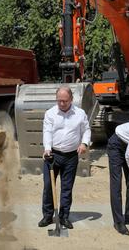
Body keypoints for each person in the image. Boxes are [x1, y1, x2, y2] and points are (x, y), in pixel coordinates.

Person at [39, 86, 90, 229]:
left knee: (67, 188)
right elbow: (47, 132)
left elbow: (86, 130)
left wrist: (84, 143)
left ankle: (64, 217)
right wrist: (47, 148)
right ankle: (48, 216)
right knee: (49, 186)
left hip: (71, 156)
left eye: (65, 101)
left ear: (71, 100)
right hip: (53, 155)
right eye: (59, 101)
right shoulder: (50, 113)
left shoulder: (80, 114)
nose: (62, 104)